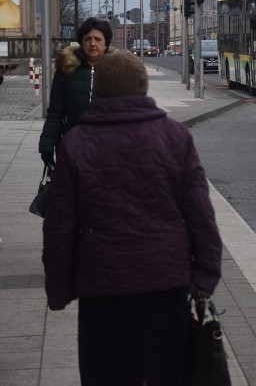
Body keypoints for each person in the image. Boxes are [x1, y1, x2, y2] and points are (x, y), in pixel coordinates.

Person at [42, 51, 223, 385]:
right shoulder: (174, 137)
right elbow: (200, 212)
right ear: (143, 87)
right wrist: (205, 275)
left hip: (102, 289)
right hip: (165, 285)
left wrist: (59, 287)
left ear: (100, 90)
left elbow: (59, 225)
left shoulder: (77, 143)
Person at [39, 17, 113, 168]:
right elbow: (55, 112)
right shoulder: (66, 69)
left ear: (106, 44)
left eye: (98, 39)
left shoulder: (117, 70)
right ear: (81, 42)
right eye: (88, 39)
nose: (93, 43)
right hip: (71, 145)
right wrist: (46, 144)